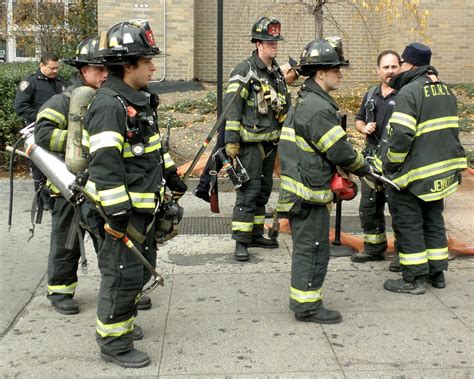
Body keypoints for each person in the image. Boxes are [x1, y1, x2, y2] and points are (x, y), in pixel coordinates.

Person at [85, 19, 187, 368]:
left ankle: (123, 325)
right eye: (147, 62)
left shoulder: (138, 101)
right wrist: (116, 214)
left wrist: (172, 175)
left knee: (134, 275)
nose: (153, 67)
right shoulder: (109, 107)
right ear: (127, 65)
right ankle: (113, 343)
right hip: (122, 216)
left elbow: (154, 147)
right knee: (121, 275)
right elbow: (104, 166)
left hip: (142, 212)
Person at [277, 37, 372, 324]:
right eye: (336, 69)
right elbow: (340, 150)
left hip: (303, 190)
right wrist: (362, 167)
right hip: (308, 194)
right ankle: (307, 306)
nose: (340, 73)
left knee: (310, 247)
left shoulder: (309, 99)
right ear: (320, 73)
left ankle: (305, 301)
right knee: (313, 249)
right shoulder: (318, 108)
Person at [381, 43, 467, 295]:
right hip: (440, 173)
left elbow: (401, 136)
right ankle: (437, 272)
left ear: (409, 64)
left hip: (414, 174)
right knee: (433, 220)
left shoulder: (409, 92)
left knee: (409, 223)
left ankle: (414, 278)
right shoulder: (445, 91)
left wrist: (391, 165)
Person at [34, 37, 108, 315]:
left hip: (102, 187)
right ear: (82, 70)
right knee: (66, 242)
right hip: (67, 188)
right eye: (97, 69)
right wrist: (78, 138)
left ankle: (119, 291)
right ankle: (60, 290)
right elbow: (42, 134)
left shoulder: (110, 99)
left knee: (109, 242)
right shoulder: (61, 101)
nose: (104, 74)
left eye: (107, 69)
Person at [224, 16, 291, 261]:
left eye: (276, 41)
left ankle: (253, 233)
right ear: (257, 44)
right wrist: (231, 140)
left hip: (271, 144)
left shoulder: (276, 73)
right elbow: (231, 107)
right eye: (268, 41)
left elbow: (284, 106)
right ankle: (241, 241)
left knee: (263, 191)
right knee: (248, 192)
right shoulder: (245, 70)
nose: (274, 45)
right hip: (249, 145)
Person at [351, 51, 400, 267]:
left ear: (400, 68)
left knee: (399, 209)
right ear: (378, 70)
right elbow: (359, 120)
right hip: (372, 160)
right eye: (386, 67)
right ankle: (374, 248)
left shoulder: (406, 94)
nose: (390, 71)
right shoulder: (371, 93)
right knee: (369, 206)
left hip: (395, 163)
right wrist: (364, 128)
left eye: (393, 67)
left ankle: (403, 254)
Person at [14, 51, 67, 196]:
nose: (55, 71)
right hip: (36, 130)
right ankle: (39, 199)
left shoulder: (60, 82)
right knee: (39, 166)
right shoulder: (30, 82)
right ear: (41, 65)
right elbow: (20, 107)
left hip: (56, 131)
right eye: (52, 68)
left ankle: (55, 196)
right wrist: (42, 118)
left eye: (57, 68)